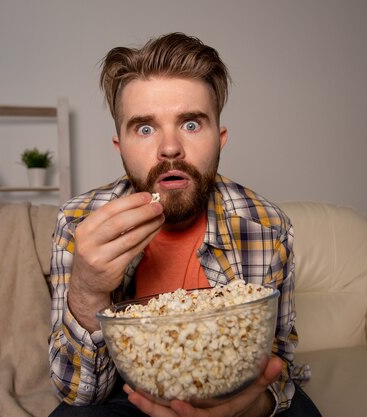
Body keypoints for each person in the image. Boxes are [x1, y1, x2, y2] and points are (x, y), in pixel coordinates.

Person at [48, 32, 321, 417]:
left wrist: (251, 406)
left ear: (220, 138)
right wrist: (87, 291)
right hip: (131, 396)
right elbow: (76, 393)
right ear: (119, 146)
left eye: (191, 124)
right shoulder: (77, 223)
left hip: (233, 392)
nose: (170, 147)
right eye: (144, 128)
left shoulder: (266, 226)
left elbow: (278, 367)